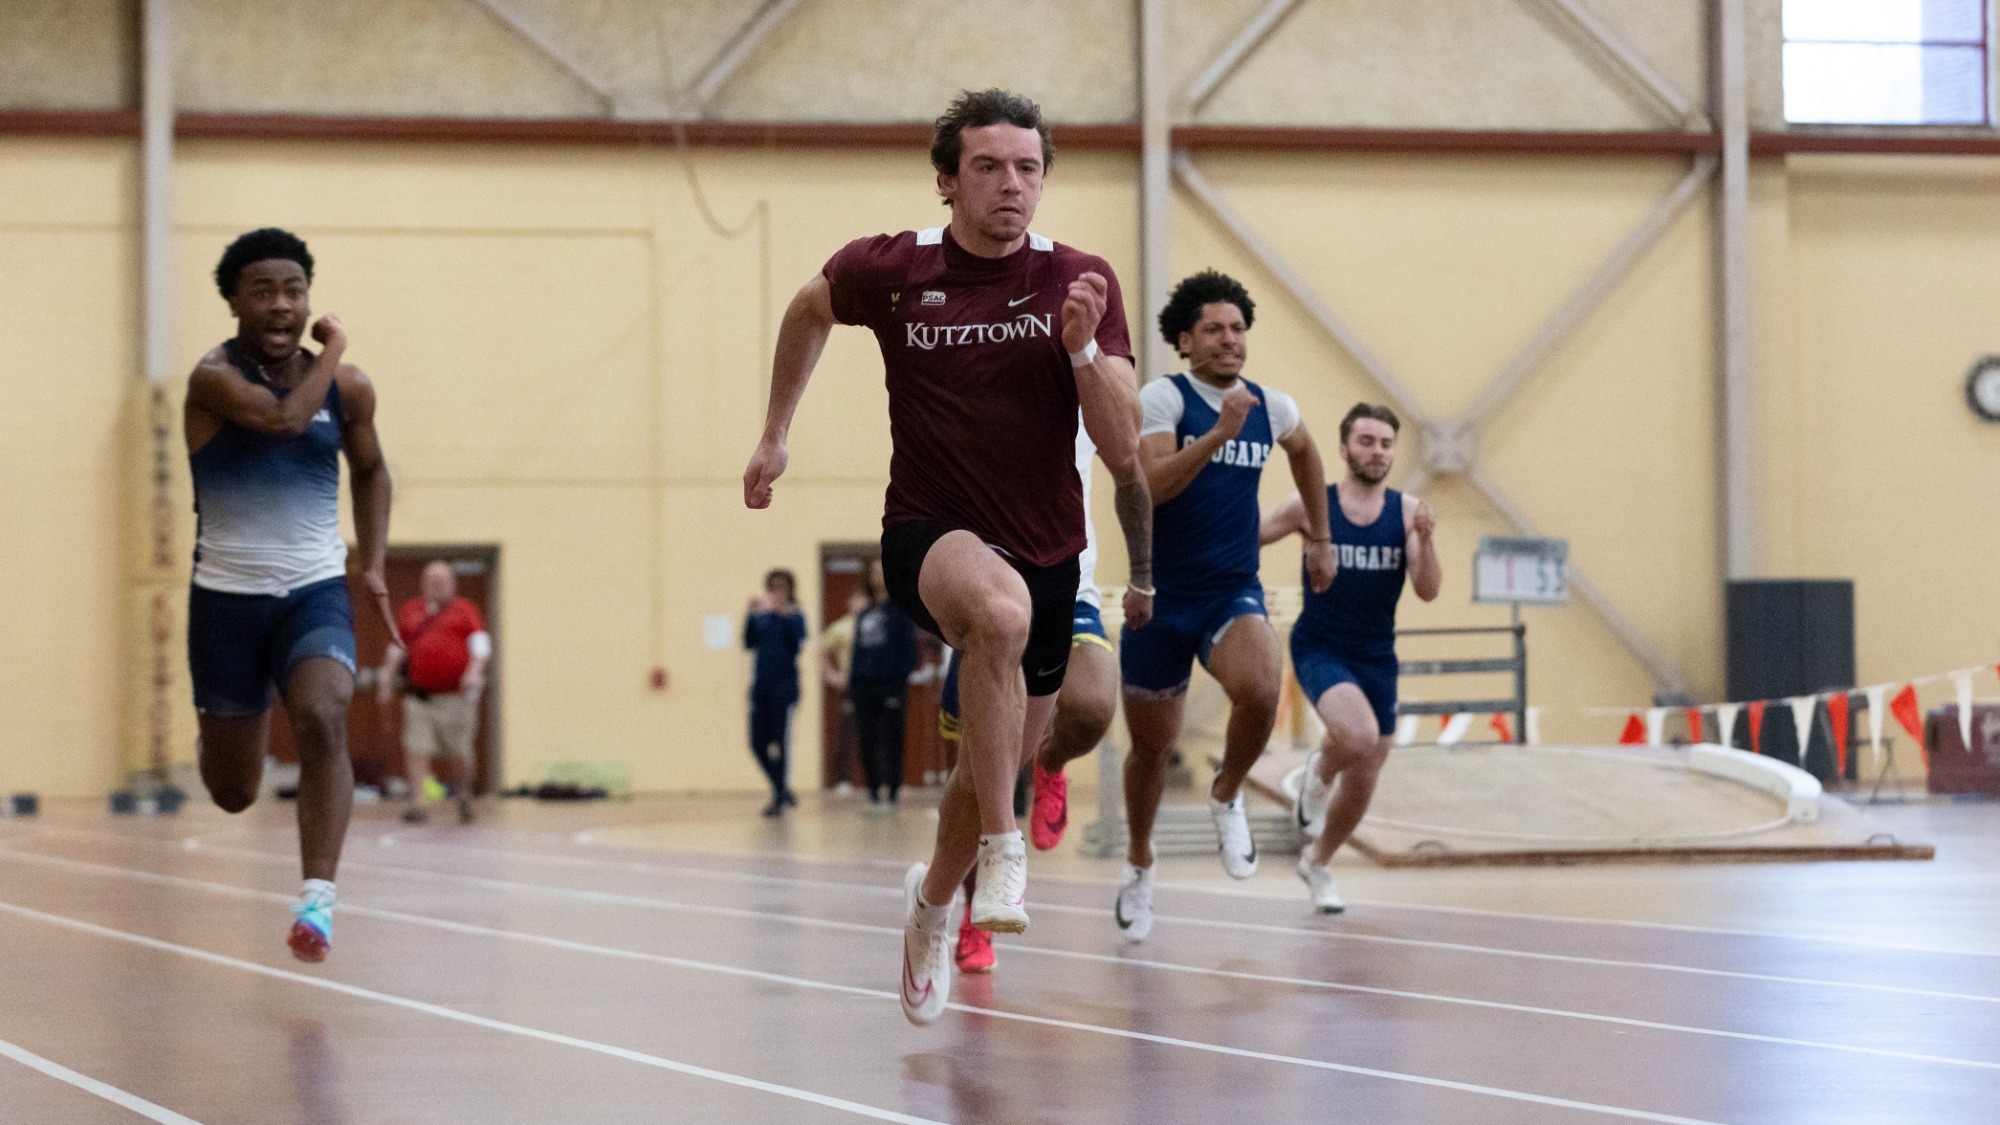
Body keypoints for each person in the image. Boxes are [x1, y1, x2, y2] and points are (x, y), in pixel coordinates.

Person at [741, 89, 1143, 1025]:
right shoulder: (890, 269)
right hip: (931, 529)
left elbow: (1123, 449)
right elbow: (807, 311)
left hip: (1048, 546)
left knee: (991, 757)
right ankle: (1007, 852)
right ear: (948, 179)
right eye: (990, 168)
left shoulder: (1080, 278)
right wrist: (774, 433)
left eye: (1029, 168)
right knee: (995, 619)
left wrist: (1083, 354)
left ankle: (930, 906)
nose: (1012, 185)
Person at [183, 227, 396, 963]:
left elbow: (372, 470)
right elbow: (283, 418)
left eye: (294, 290)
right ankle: (221, 728)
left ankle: (318, 899)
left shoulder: (350, 390)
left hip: (312, 590)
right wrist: (334, 348)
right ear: (235, 301)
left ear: (308, 297)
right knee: (234, 790)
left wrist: (371, 562)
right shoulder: (214, 379)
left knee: (324, 710)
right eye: (264, 291)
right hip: (226, 602)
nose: (282, 305)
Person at [1114, 270, 1335, 942]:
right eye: (1214, 329)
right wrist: (1215, 436)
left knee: (1261, 687)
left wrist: (1320, 536)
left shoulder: (1273, 406)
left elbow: (1307, 455)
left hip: (1229, 588)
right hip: (1159, 595)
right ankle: (1140, 864)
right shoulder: (1165, 397)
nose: (1229, 340)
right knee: (1151, 750)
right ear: (1185, 340)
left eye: (1238, 328)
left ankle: (1227, 791)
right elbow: (1150, 484)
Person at [937, 418, 1154, 974]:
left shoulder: (1080, 383)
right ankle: (972, 918)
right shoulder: (963, 380)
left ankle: (1050, 759)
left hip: (1064, 589)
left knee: (1093, 705)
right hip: (982, 604)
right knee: (974, 783)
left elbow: (1130, 470)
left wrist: (1143, 576)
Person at [1264, 403, 1441, 913]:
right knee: (1358, 738)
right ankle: (1318, 778)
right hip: (1321, 645)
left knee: (1366, 773)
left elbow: (1427, 590)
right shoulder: (1312, 504)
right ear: (1343, 449)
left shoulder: (1407, 513)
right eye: (1366, 441)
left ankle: (1317, 862)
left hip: (1377, 656)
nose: (1377, 451)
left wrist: (1426, 541)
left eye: (1385, 443)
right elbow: (1250, 536)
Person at [378, 560, 490, 826]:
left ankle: (464, 797)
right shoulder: (411, 610)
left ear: (452, 583)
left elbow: (480, 644)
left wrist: (474, 670)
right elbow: (398, 646)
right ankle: (418, 804)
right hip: (420, 697)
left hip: (456, 697)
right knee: (416, 748)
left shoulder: (465, 610)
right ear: (423, 583)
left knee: (460, 752)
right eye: (432, 580)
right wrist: (386, 675)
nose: (437, 585)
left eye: (443, 580)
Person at [849, 560, 918, 806]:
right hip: (863, 685)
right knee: (866, 737)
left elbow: (909, 651)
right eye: (874, 572)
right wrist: (852, 680)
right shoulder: (865, 612)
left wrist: (898, 684)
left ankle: (892, 790)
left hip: (890, 685)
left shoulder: (899, 610)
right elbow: (858, 649)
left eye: (881, 571)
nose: (877, 576)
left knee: (891, 737)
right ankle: (873, 789)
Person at [742, 568, 808, 817]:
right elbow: (748, 642)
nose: (777, 592)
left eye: (783, 586)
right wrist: (750, 616)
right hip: (761, 687)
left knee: (781, 742)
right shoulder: (761, 616)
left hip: (785, 688)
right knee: (757, 743)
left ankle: (778, 797)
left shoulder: (795, 616)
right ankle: (781, 788)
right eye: (773, 586)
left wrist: (783, 616)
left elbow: (797, 644)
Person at [821, 589, 870, 794]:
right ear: (850, 603)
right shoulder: (840, 627)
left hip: (871, 685)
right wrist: (832, 676)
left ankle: (876, 779)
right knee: (846, 733)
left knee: (874, 733)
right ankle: (843, 779)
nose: (859, 606)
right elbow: (821, 652)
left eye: (863, 602)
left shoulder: (873, 626)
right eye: (856, 601)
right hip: (849, 687)